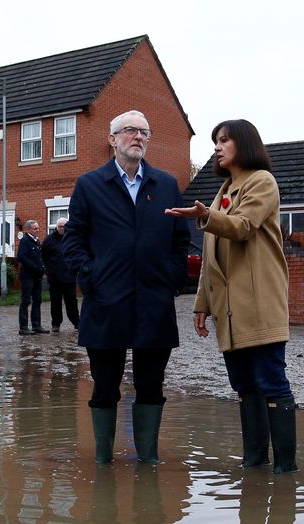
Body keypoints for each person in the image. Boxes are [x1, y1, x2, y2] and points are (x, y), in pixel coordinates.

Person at [165, 119, 297, 474]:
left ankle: (286, 470)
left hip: (258, 303)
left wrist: (207, 216)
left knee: (271, 381)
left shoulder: (262, 182)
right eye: (215, 141)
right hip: (229, 310)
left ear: (245, 143)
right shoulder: (222, 190)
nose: (217, 147)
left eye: (224, 140)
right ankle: (254, 464)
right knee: (244, 384)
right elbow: (211, 258)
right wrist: (202, 305)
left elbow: (242, 227)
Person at [62, 110, 189, 464]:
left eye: (144, 132)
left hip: (154, 301)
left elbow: (181, 241)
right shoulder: (89, 184)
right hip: (106, 301)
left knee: (151, 386)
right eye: (130, 130)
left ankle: (147, 460)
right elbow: (73, 241)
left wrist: (172, 278)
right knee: (104, 387)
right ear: (112, 139)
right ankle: (104, 461)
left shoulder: (166, 184)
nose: (138, 137)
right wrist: (90, 276)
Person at [41, 217, 80, 332]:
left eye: (64, 226)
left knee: (72, 301)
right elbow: (43, 256)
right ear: (56, 227)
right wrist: (46, 270)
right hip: (55, 278)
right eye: (60, 226)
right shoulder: (49, 240)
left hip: (69, 276)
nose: (62, 228)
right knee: (55, 302)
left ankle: (77, 322)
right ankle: (56, 324)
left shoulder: (72, 238)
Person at [17, 220, 49, 335]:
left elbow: (40, 257)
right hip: (28, 275)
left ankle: (36, 325)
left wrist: (42, 268)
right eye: (35, 229)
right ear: (29, 229)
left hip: (37, 276)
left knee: (37, 300)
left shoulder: (37, 241)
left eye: (38, 228)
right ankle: (23, 327)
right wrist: (35, 267)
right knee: (26, 300)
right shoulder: (25, 241)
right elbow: (21, 257)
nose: (37, 230)